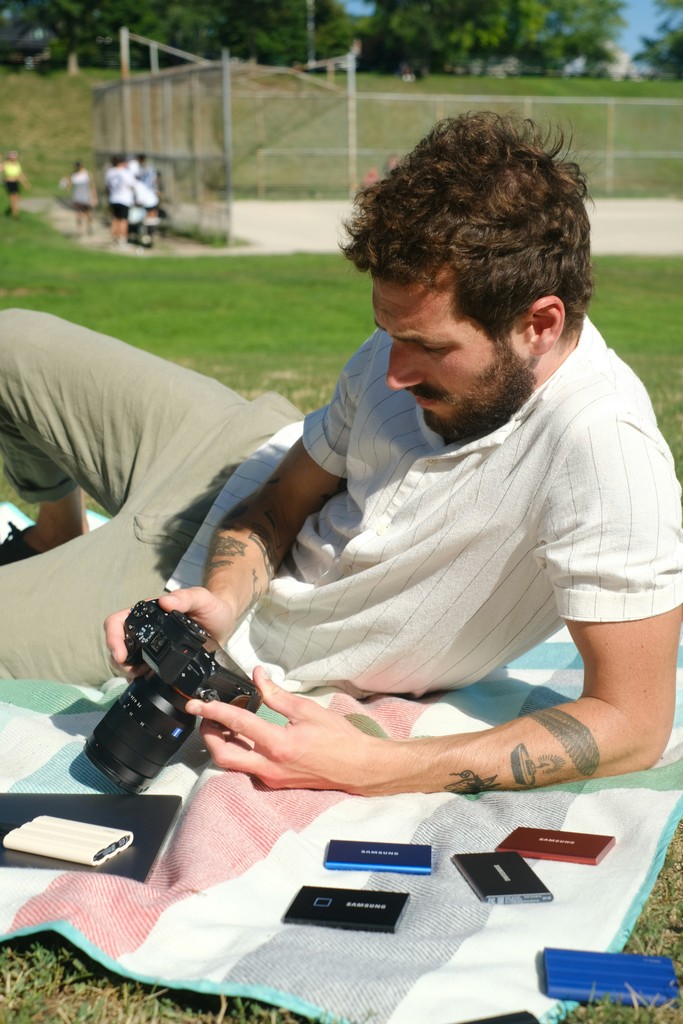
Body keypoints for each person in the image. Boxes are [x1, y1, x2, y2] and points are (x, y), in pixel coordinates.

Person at [0, 113, 681, 798]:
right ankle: (57, 533)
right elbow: (278, 499)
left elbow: (633, 720)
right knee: (11, 342)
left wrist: (372, 768)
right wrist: (223, 597)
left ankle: (72, 565)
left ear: (539, 324)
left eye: (429, 347)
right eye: (386, 331)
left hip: (182, 590)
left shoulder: (605, 455)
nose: (392, 371)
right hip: (232, 458)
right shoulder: (396, 353)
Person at [104, 154, 135, 248]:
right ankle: (122, 239)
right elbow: (132, 185)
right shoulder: (126, 172)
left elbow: (107, 186)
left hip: (113, 198)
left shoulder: (110, 172)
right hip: (124, 199)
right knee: (123, 220)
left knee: (115, 219)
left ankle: (114, 238)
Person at [61, 161, 97, 234]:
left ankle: (89, 224)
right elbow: (69, 186)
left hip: (86, 197)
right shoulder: (74, 176)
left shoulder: (87, 174)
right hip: (77, 197)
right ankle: (79, 229)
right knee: (79, 214)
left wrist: (94, 197)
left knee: (88, 212)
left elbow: (92, 186)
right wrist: (65, 182)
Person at [2, 150, 30, 218]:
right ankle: (15, 215)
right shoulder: (5, 164)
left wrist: (25, 183)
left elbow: (20, 174)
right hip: (9, 182)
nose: (12, 158)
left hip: (16, 182)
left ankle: (12, 211)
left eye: (13, 157)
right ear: (8, 157)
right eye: (11, 157)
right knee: (13, 198)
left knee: (17, 198)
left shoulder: (17, 164)